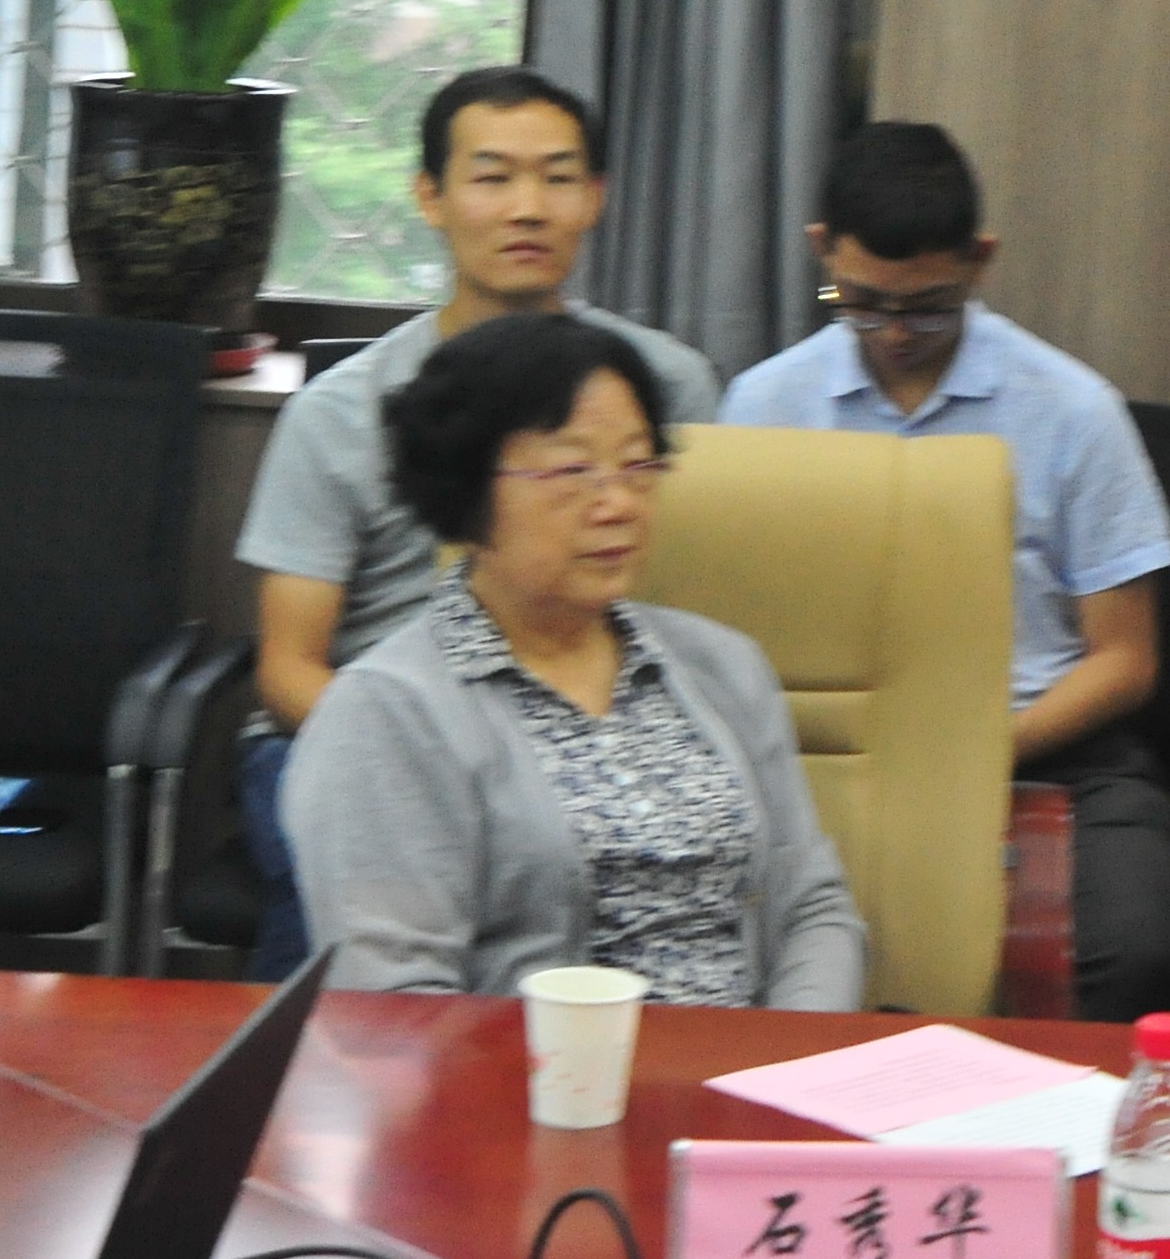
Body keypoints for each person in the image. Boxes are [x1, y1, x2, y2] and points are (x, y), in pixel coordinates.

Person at [236, 67, 722, 981]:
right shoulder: (340, 413)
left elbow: (685, 604)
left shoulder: (666, 387)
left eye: (558, 178)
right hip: (361, 730)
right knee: (357, 946)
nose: (527, 208)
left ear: (596, 198)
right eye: (493, 178)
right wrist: (434, 757)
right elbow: (289, 667)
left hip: (594, 717)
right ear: (431, 198)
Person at [718, 122, 1170, 1020]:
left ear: (981, 260)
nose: (896, 334)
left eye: (930, 307)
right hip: (825, 748)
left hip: (1043, 743)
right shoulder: (763, 405)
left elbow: (1125, 659)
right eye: (862, 303)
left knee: (1142, 941)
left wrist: (972, 754)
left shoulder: (1074, 411)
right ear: (824, 251)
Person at [283, 314, 864, 1008]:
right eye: (572, 471)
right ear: (467, 489)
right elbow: (397, 1000)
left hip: (758, 1065)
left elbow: (812, 910)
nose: (617, 504)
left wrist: (793, 1059)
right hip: (528, 1069)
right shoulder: (386, 712)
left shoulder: (724, 666)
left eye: (638, 465)